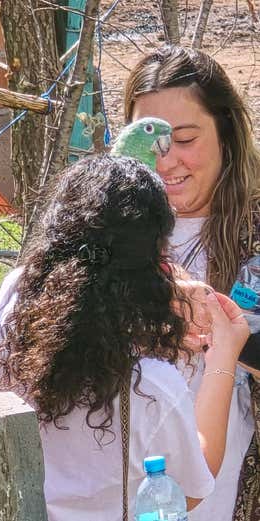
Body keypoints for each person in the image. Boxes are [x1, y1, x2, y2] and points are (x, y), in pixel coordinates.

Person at [0, 155, 249, 521]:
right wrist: (223, 357)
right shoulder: (152, 387)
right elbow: (190, 488)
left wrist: (161, 297)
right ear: (157, 259)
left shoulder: (14, 295)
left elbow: (83, 289)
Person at [124, 45, 260, 520]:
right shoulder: (102, 232)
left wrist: (216, 331)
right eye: (150, 137)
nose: (165, 161)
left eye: (184, 138)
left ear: (226, 133)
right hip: (117, 489)